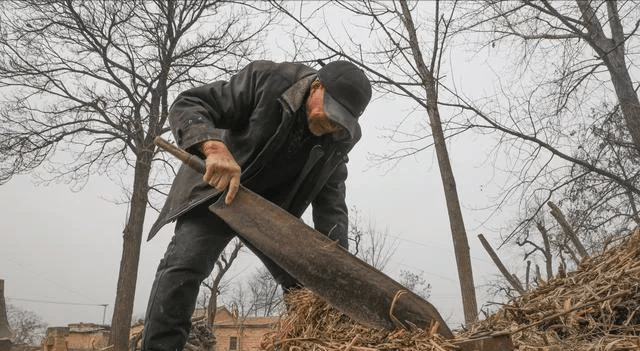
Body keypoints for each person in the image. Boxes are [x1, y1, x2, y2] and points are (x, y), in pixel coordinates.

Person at [142, 59, 372, 351]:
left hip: (272, 211)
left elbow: (331, 198)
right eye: (330, 113)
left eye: (340, 122)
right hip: (220, 188)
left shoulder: (340, 136)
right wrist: (213, 148)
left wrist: (336, 265)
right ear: (316, 86)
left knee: (308, 288)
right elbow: (190, 103)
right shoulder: (269, 80)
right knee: (184, 267)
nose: (330, 125)